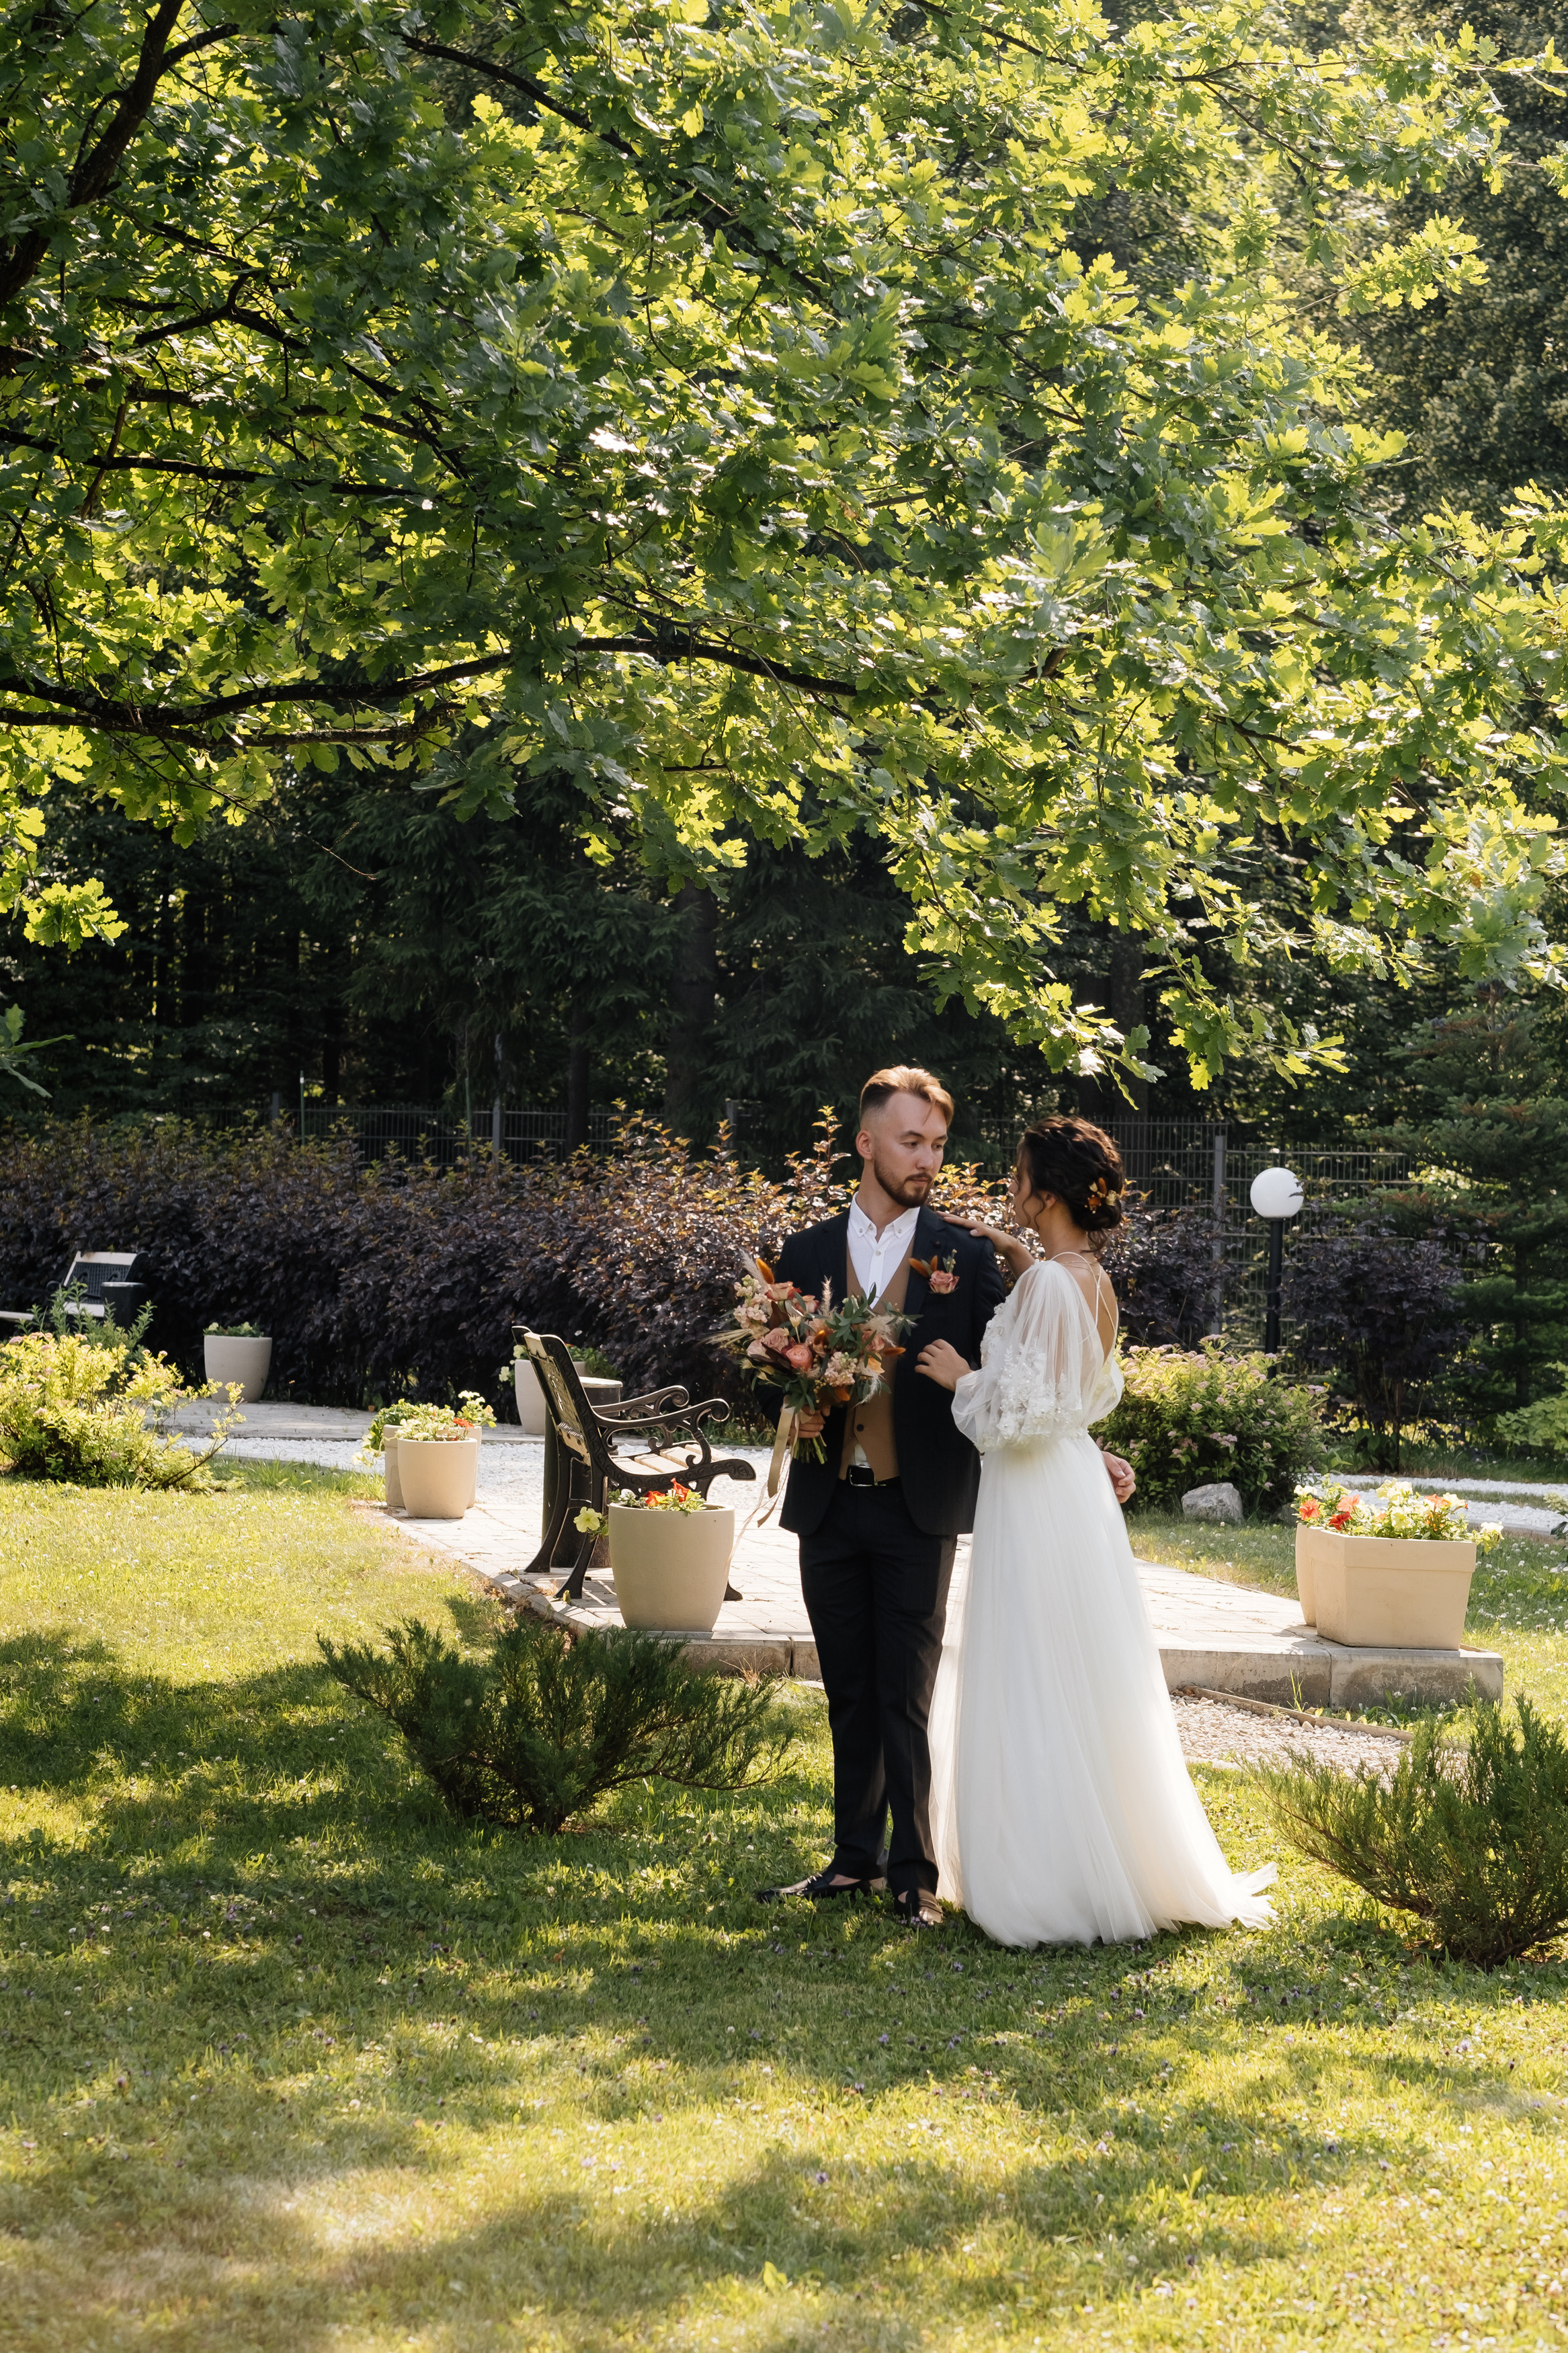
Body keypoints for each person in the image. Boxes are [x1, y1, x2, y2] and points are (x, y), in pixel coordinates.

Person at [753, 1069, 1134, 1929]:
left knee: (907, 1695)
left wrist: (1089, 1446)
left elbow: (1041, 1366)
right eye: (911, 1141)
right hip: (826, 1500)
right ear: (866, 1144)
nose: (928, 1159)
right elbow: (768, 1364)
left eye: (937, 1144)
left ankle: (914, 1873)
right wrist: (795, 1399)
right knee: (846, 1687)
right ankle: (852, 1858)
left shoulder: (967, 1253)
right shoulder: (805, 1251)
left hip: (917, 1503)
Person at [917, 1115, 1276, 1948]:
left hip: (1036, 1486)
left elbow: (1018, 1414)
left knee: (1032, 1662)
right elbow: (1072, 1394)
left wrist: (960, 1376)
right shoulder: (1088, 1279)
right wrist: (1018, 1261)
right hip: (1068, 1486)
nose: (1009, 1190)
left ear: (1043, 1193)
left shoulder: (1049, 1284)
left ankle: (1045, 1875)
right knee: (1076, 1665)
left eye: (1015, 1178)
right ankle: (1096, 1854)